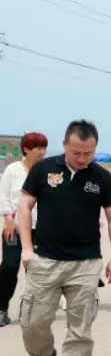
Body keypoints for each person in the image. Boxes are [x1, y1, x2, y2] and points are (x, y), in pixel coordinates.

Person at [18, 120, 111, 356]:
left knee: (81, 326)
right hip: (45, 260)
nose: (82, 158)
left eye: (88, 153)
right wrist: (26, 249)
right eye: (76, 152)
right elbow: (24, 206)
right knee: (33, 323)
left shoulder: (102, 178)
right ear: (65, 145)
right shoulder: (43, 169)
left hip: (85, 263)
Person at [0, 131, 48, 327]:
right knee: (9, 267)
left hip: (39, 230)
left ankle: (29, 310)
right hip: (14, 228)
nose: (42, 152)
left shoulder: (47, 171)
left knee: (36, 271)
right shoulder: (12, 170)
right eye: (38, 148)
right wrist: (7, 218)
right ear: (26, 149)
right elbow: (3, 196)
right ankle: (2, 309)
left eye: (44, 147)